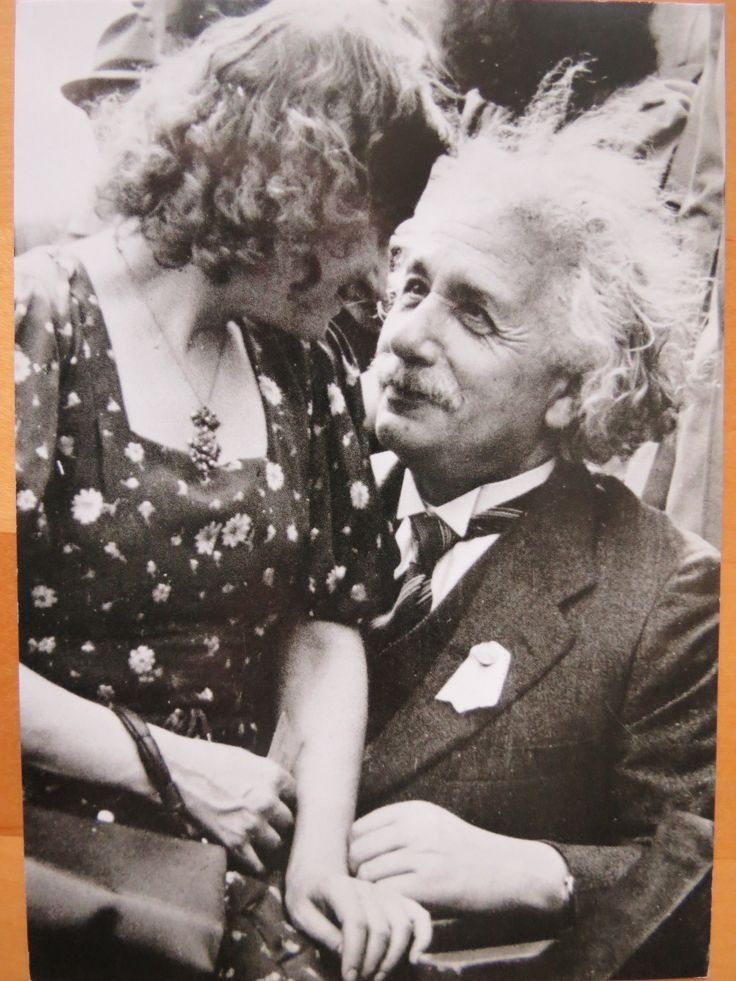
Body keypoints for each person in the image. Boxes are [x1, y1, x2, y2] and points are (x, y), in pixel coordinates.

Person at [15, 3, 450, 978]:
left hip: (232, 858)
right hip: (44, 860)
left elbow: (325, 623)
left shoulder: (304, 365)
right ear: (300, 191)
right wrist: (168, 767)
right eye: (376, 229)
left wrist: (318, 860)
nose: (379, 277)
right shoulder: (36, 321)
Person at [350, 72, 718, 978]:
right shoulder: (302, 498)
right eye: (413, 287)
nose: (409, 336)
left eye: (474, 313)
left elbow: (706, 874)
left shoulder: (665, 593)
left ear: (572, 390)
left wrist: (541, 871)